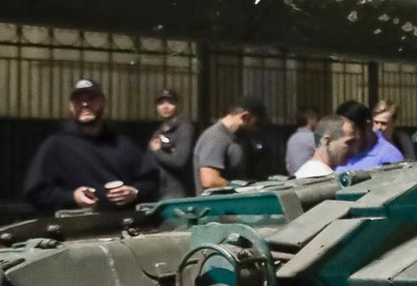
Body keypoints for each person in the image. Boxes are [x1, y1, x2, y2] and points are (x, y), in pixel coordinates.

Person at [24, 79, 159, 214]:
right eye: (78, 100)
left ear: (104, 103)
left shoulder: (124, 144)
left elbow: (151, 182)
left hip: (123, 226)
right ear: (71, 106)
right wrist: (71, 197)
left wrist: (135, 192)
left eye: (91, 98)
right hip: (75, 230)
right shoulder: (55, 145)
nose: (85, 104)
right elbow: (35, 192)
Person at [192, 95, 268, 191]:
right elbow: (210, 180)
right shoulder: (215, 137)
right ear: (245, 117)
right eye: (257, 123)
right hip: (216, 204)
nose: (258, 129)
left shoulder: (239, 138)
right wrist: (243, 187)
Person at [147, 88, 194, 199]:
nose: (165, 107)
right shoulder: (159, 131)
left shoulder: (184, 128)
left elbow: (180, 161)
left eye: (170, 102)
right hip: (160, 190)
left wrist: (158, 151)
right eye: (161, 103)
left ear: (177, 105)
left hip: (177, 192)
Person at [335, 99, 404, 172]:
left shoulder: (390, 157)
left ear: (367, 126)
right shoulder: (340, 155)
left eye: (351, 132)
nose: (346, 140)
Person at [285, 108, 318, 176]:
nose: (317, 122)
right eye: (316, 119)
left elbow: (288, 165)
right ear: (310, 120)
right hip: (309, 177)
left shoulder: (292, 138)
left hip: (293, 177)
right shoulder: (312, 137)